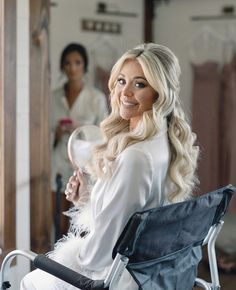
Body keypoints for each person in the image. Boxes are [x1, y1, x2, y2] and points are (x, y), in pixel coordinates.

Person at [21, 42, 199, 289]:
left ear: (159, 92)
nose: (125, 93)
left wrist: (73, 260)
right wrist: (86, 199)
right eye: (121, 81)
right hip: (147, 269)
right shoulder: (165, 141)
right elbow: (126, 218)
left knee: (28, 280)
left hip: (115, 275)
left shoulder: (136, 158)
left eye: (139, 84)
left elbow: (103, 250)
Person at [51, 43, 108, 235]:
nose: (72, 68)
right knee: (58, 221)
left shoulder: (96, 98)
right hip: (57, 165)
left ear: (84, 65)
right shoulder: (52, 97)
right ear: (62, 67)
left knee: (83, 222)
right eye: (67, 63)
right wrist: (57, 134)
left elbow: (105, 137)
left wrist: (80, 130)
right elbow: (41, 135)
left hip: (86, 167)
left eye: (77, 62)